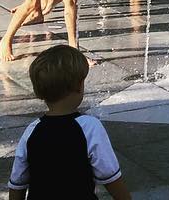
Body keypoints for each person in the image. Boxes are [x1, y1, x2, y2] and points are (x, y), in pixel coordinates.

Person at [8, 44, 130, 199]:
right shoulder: (89, 127)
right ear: (78, 86)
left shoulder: (32, 131)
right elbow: (111, 177)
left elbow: (17, 184)